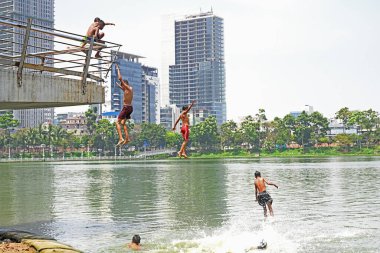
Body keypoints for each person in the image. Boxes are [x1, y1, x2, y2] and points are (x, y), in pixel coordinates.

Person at [115, 63, 133, 146]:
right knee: (123, 123)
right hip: (130, 108)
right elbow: (123, 88)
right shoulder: (128, 90)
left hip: (126, 108)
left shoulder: (128, 88)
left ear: (125, 84)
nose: (122, 86)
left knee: (117, 122)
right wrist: (119, 86)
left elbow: (120, 78)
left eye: (123, 85)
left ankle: (121, 138)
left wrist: (118, 69)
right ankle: (127, 138)